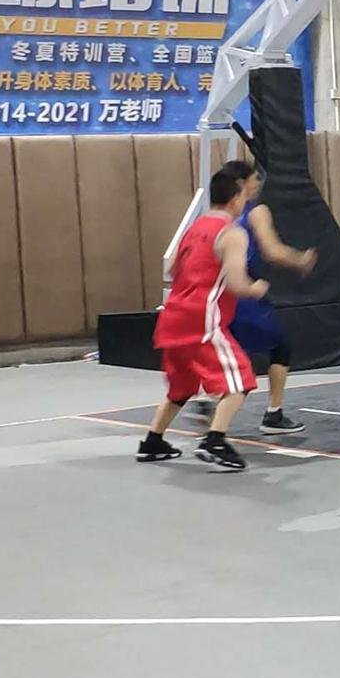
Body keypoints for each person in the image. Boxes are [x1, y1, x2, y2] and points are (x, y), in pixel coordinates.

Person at [136, 168, 269, 470]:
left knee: (181, 387)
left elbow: (172, 269)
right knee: (240, 380)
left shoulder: (194, 228)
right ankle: (215, 441)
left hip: (173, 317)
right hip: (202, 319)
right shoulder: (232, 233)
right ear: (236, 199)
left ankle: (153, 441)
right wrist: (256, 288)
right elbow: (236, 282)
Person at [220, 160, 317, 434]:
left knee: (227, 351)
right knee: (280, 347)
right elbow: (272, 250)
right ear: (242, 184)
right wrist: (300, 259)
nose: (259, 184)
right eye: (255, 179)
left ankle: (207, 401)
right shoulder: (256, 212)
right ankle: (273, 413)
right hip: (244, 291)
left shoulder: (217, 216)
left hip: (219, 294)